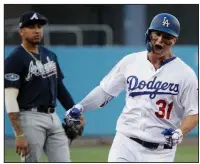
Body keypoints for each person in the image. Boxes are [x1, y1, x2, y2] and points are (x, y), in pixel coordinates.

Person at [66, 13, 198, 162]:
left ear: (174, 40)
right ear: (149, 34)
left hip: (161, 152)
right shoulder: (131, 62)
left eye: (167, 37)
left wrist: (180, 132)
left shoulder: (186, 74)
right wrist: (80, 107)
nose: (160, 40)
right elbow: (104, 91)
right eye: (157, 34)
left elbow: (194, 113)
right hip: (126, 143)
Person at [4, 11, 85, 162]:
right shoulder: (14, 59)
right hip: (29, 118)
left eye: (39, 26)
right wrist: (19, 134)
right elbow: (9, 98)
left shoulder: (50, 55)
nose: (37, 30)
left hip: (52, 117)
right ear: (21, 31)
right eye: (31, 27)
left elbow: (60, 88)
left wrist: (75, 112)